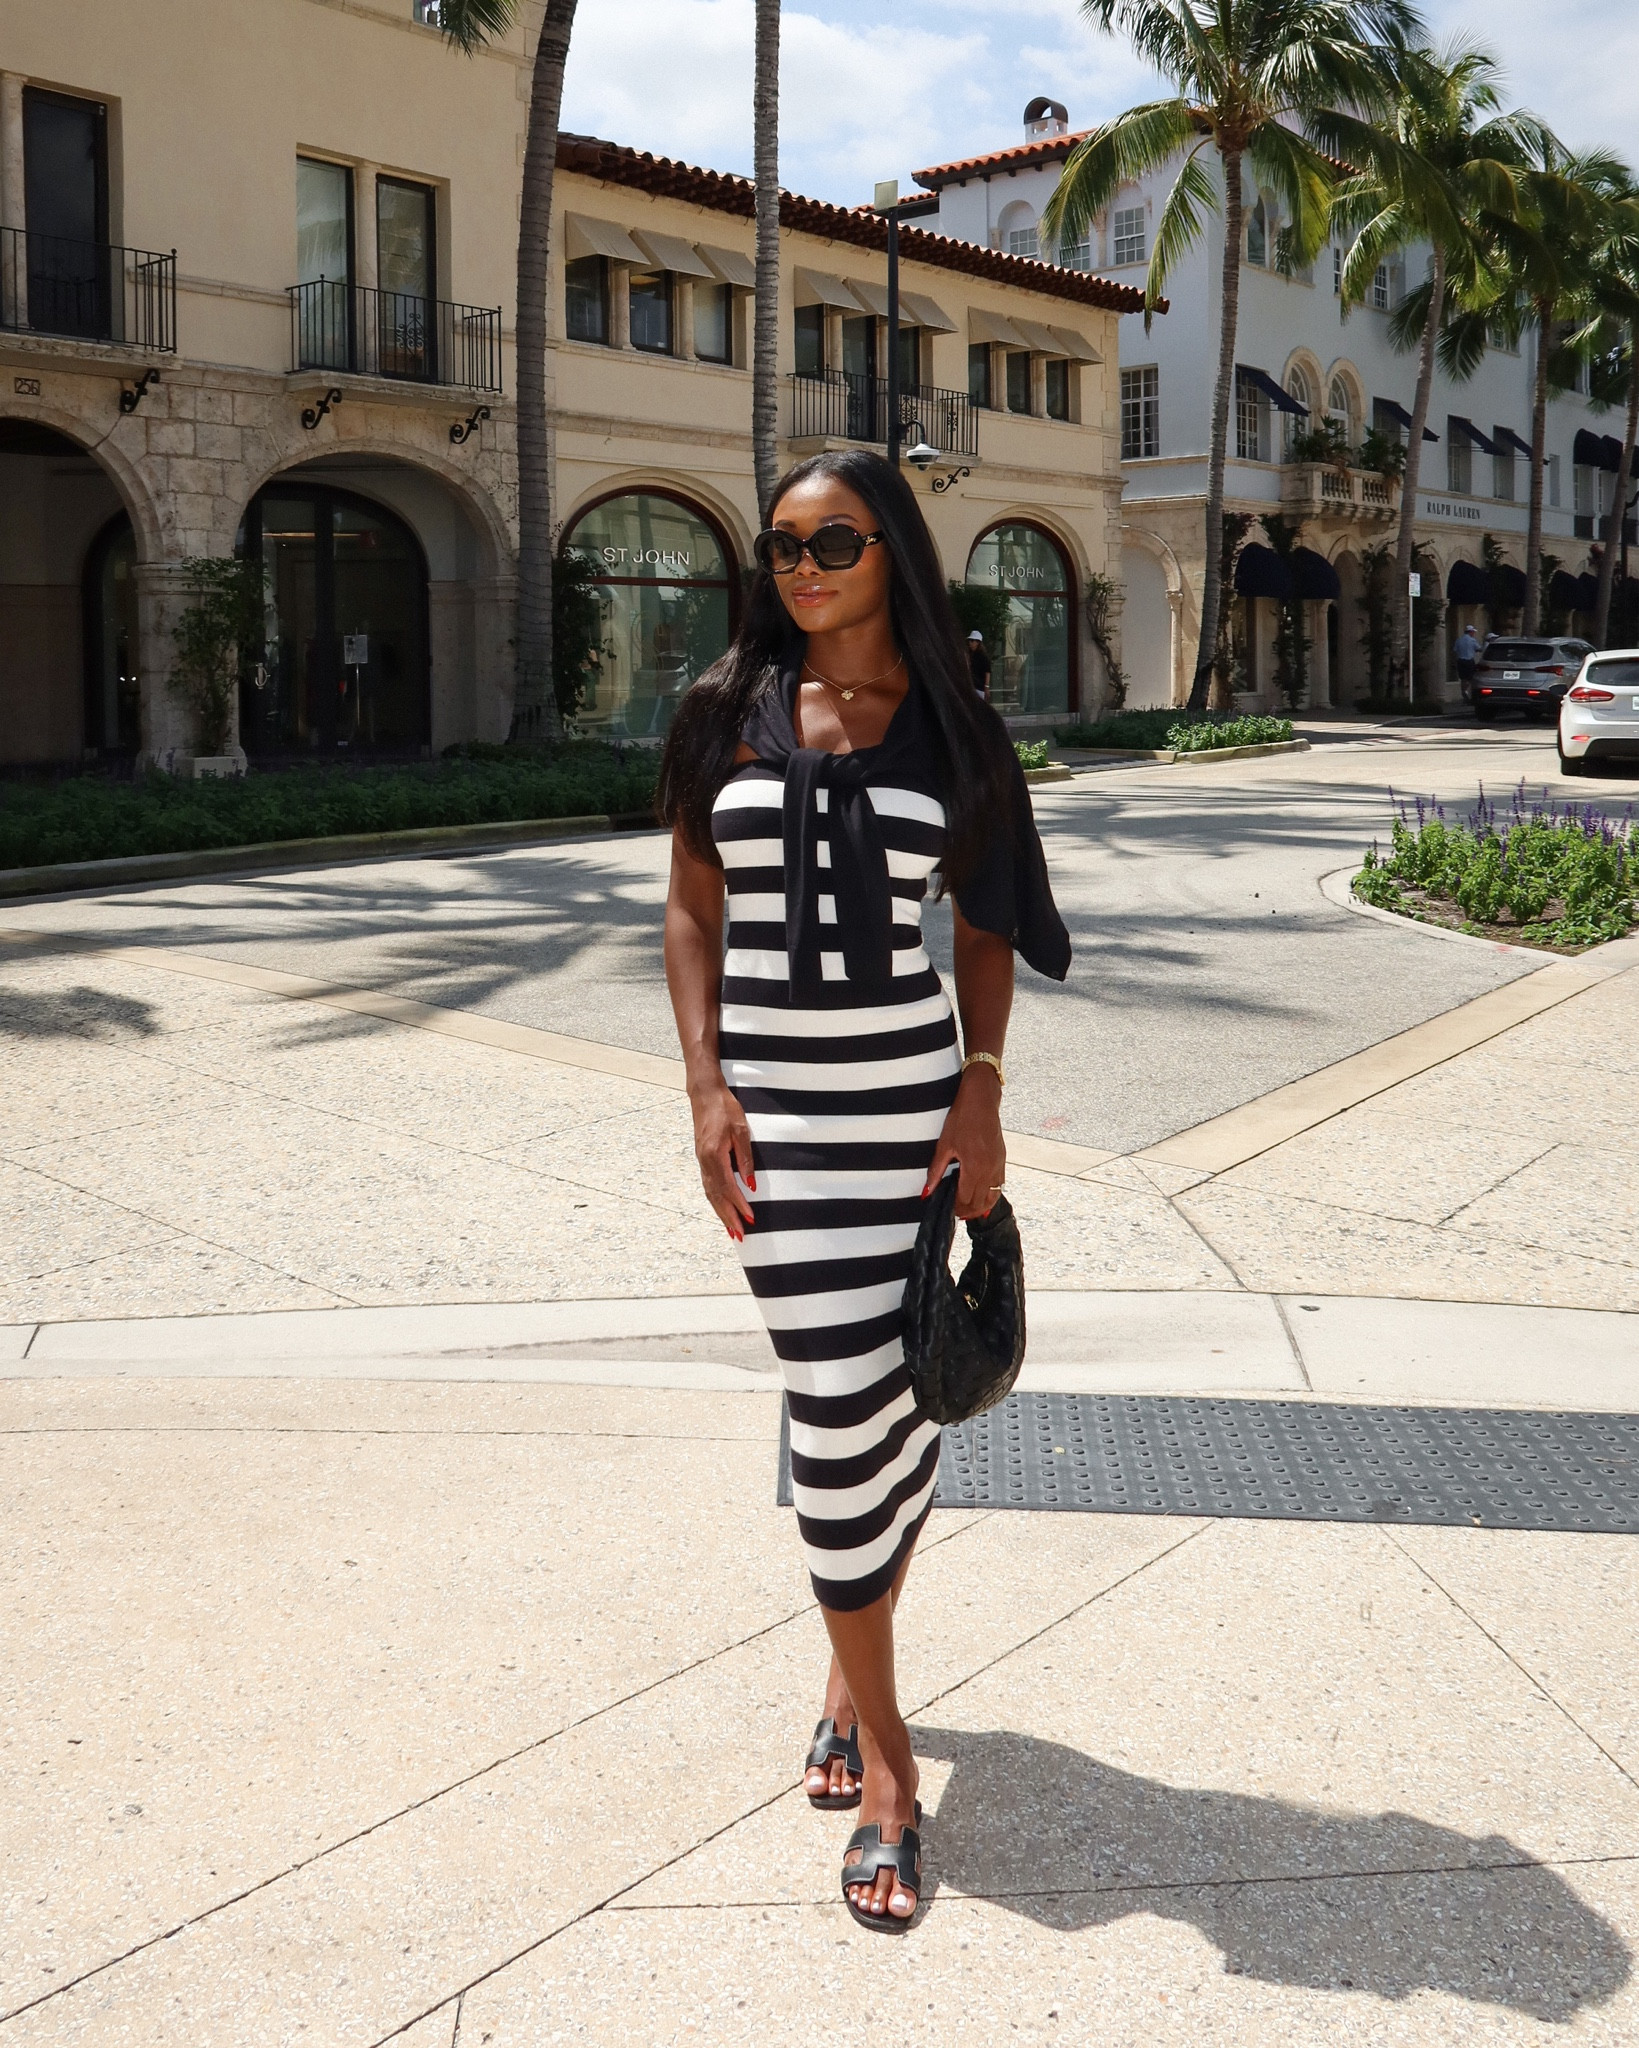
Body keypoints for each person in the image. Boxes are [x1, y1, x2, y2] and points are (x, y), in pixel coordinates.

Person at [659, 449, 1068, 1931]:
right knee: (835, 1399)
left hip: (902, 1116)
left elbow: (981, 932)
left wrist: (982, 1089)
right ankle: (892, 1770)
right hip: (776, 1126)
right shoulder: (723, 715)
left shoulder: (952, 733)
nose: (804, 565)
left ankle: (847, 1675)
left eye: (833, 539)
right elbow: (692, 908)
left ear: (891, 548)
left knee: (888, 1397)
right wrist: (705, 1086)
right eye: (781, 545)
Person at [1454, 623, 1480, 700]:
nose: (1474, 634)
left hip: (1460, 661)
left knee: (1463, 678)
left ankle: (1463, 692)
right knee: (1471, 677)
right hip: (1469, 661)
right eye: (1473, 632)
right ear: (1470, 632)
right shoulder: (1472, 640)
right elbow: (1479, 648)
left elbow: (1455, 650)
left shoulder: (1459, 640)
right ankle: (1468, 691)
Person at [966, 628, 992, 700]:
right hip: (972, 685)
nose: (970, 643)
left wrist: (986, 687)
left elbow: (987, 672)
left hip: (979, 687)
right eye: (969, 641)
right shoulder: (970, 654)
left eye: (972, 641)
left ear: (977, 642)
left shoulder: (982, 656)